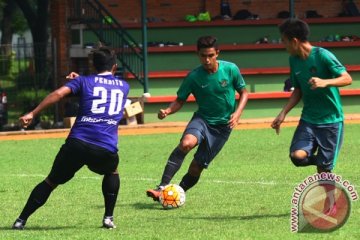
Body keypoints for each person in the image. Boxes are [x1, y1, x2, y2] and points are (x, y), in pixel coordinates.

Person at [12, 47, 129, 230]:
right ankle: (108, 217)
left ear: (93, 64)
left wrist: (33, 113)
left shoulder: (84, 81)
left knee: (51, 182)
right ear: (114, 67)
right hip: (104, 148)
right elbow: (102, 88)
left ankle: (21, 220)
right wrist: (81, 81)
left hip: (77, 144)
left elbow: (59, 94)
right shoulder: (124, 86)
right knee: (112, 171)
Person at [146, 35, 249, 201]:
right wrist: (167, 111)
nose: (207, 60)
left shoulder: (230, 69)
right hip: (202, 120)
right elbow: (180, 100)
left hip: (223, 128)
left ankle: (175, 193)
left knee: (196, 168)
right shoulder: (194, 77)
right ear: (198, 55)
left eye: (210, 55)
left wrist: (237, 114)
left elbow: (244, 93)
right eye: (203, 56)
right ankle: (162, 187)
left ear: (217, 53)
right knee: (186, 144)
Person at [271, 19, 352, 213]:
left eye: (284, 41)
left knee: (323, 169)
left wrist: (325, 82)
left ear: (295, 40)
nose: (283, 46)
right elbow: (298, 89)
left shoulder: (323, 55)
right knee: (297, 156)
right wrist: (283, 112)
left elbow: (347, 78)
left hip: (331, 121)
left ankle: (330, 203)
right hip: (308, 119)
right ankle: (326, 164)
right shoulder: (294, 60)